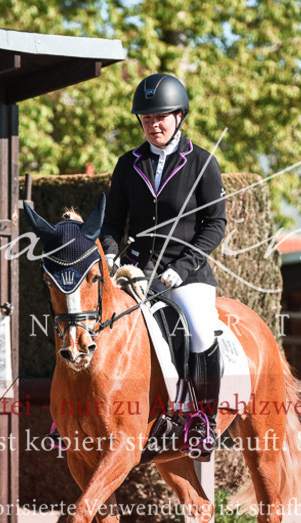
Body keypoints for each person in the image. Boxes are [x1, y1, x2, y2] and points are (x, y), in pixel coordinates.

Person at [100, 73, 227, 457]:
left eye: (161, 117)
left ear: (179, 116)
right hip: (136, 270)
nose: (153, 125)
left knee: (201, 332)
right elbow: (112, 223)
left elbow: (215, 224)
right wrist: (109, 254)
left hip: (186, 272)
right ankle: (70, 417)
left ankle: (202, 421)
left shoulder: (202, 163)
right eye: (146, 118)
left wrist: (185, 266)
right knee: (95, 320)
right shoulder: (127, 164)